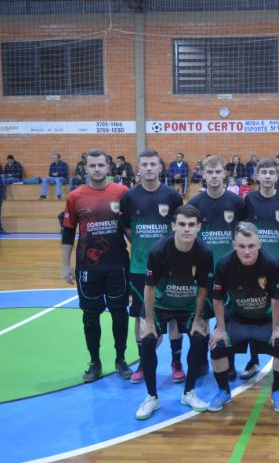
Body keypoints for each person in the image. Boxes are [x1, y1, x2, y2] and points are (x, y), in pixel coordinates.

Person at [134, 204, 212, 420]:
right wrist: (149, 320)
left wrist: (199, 318)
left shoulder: (204, 253)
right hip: (160, 304)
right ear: (173, 226)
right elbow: (149, 287)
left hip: (188, 306)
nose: (187, 229)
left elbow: (203, 288)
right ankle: (152, 397)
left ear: (199, 227)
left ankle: (189, 393)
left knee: (199, 338)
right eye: (182, 224)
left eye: (191, 225)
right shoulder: (158, 251)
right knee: (147, 341)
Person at [60, 149, 130, 382]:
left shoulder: (122, 193)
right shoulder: (75, 197)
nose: (97, 169)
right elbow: (68, 232)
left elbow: (130, 228)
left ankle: (121, 359)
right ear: (86, 168)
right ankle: (94, 362)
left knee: (119, 314)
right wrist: (65, 264)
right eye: (93, 165)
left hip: (118, 266)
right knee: (90, 316)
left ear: (108, 167)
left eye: (101, 165)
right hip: (88, 268)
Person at [207, 222, 279, 412]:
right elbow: (217, 299)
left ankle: (277, 391)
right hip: (237, 317)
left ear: (259, 244)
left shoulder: (272, 264)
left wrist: (277, 327)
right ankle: (223, 391)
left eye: (251, 246)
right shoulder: (224, 264)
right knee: (216, 344)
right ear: (234, 245)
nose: (246, 251)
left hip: (266, 318)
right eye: (242, 246)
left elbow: (276, 299)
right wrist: (220, 329)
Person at [120, 149, 185, 384]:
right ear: (138, 168)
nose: (148, 168)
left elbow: (180, 227)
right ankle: (143, 362)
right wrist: (143, 247)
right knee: (141, 317)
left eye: (152, 164)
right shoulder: (129, 197)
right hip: (139, 267)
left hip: (171, 268)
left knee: (174, 316)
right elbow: (127, 229)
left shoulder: (172, 196)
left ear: (160, 167)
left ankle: (176, 362)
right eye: (144, 164)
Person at [188, 155, 246, 378]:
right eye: (209, 172)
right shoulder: (194, 204)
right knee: (201, 317)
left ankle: (229, 361)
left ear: (225, 174)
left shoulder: (237, 202)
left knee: (228, 318)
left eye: (218, 172)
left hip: (230, 271)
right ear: (203, 174)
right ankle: (200, 361)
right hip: (203, 271)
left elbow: (243, 234)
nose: (213, 176)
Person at [244, 158, 279, 379]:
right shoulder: (249, 200)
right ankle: (253, 360)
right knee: (253, 314)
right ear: (257, 175)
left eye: (271, 172)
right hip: (253, 268)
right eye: (263, 172)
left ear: (277, 175)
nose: (267, 176)